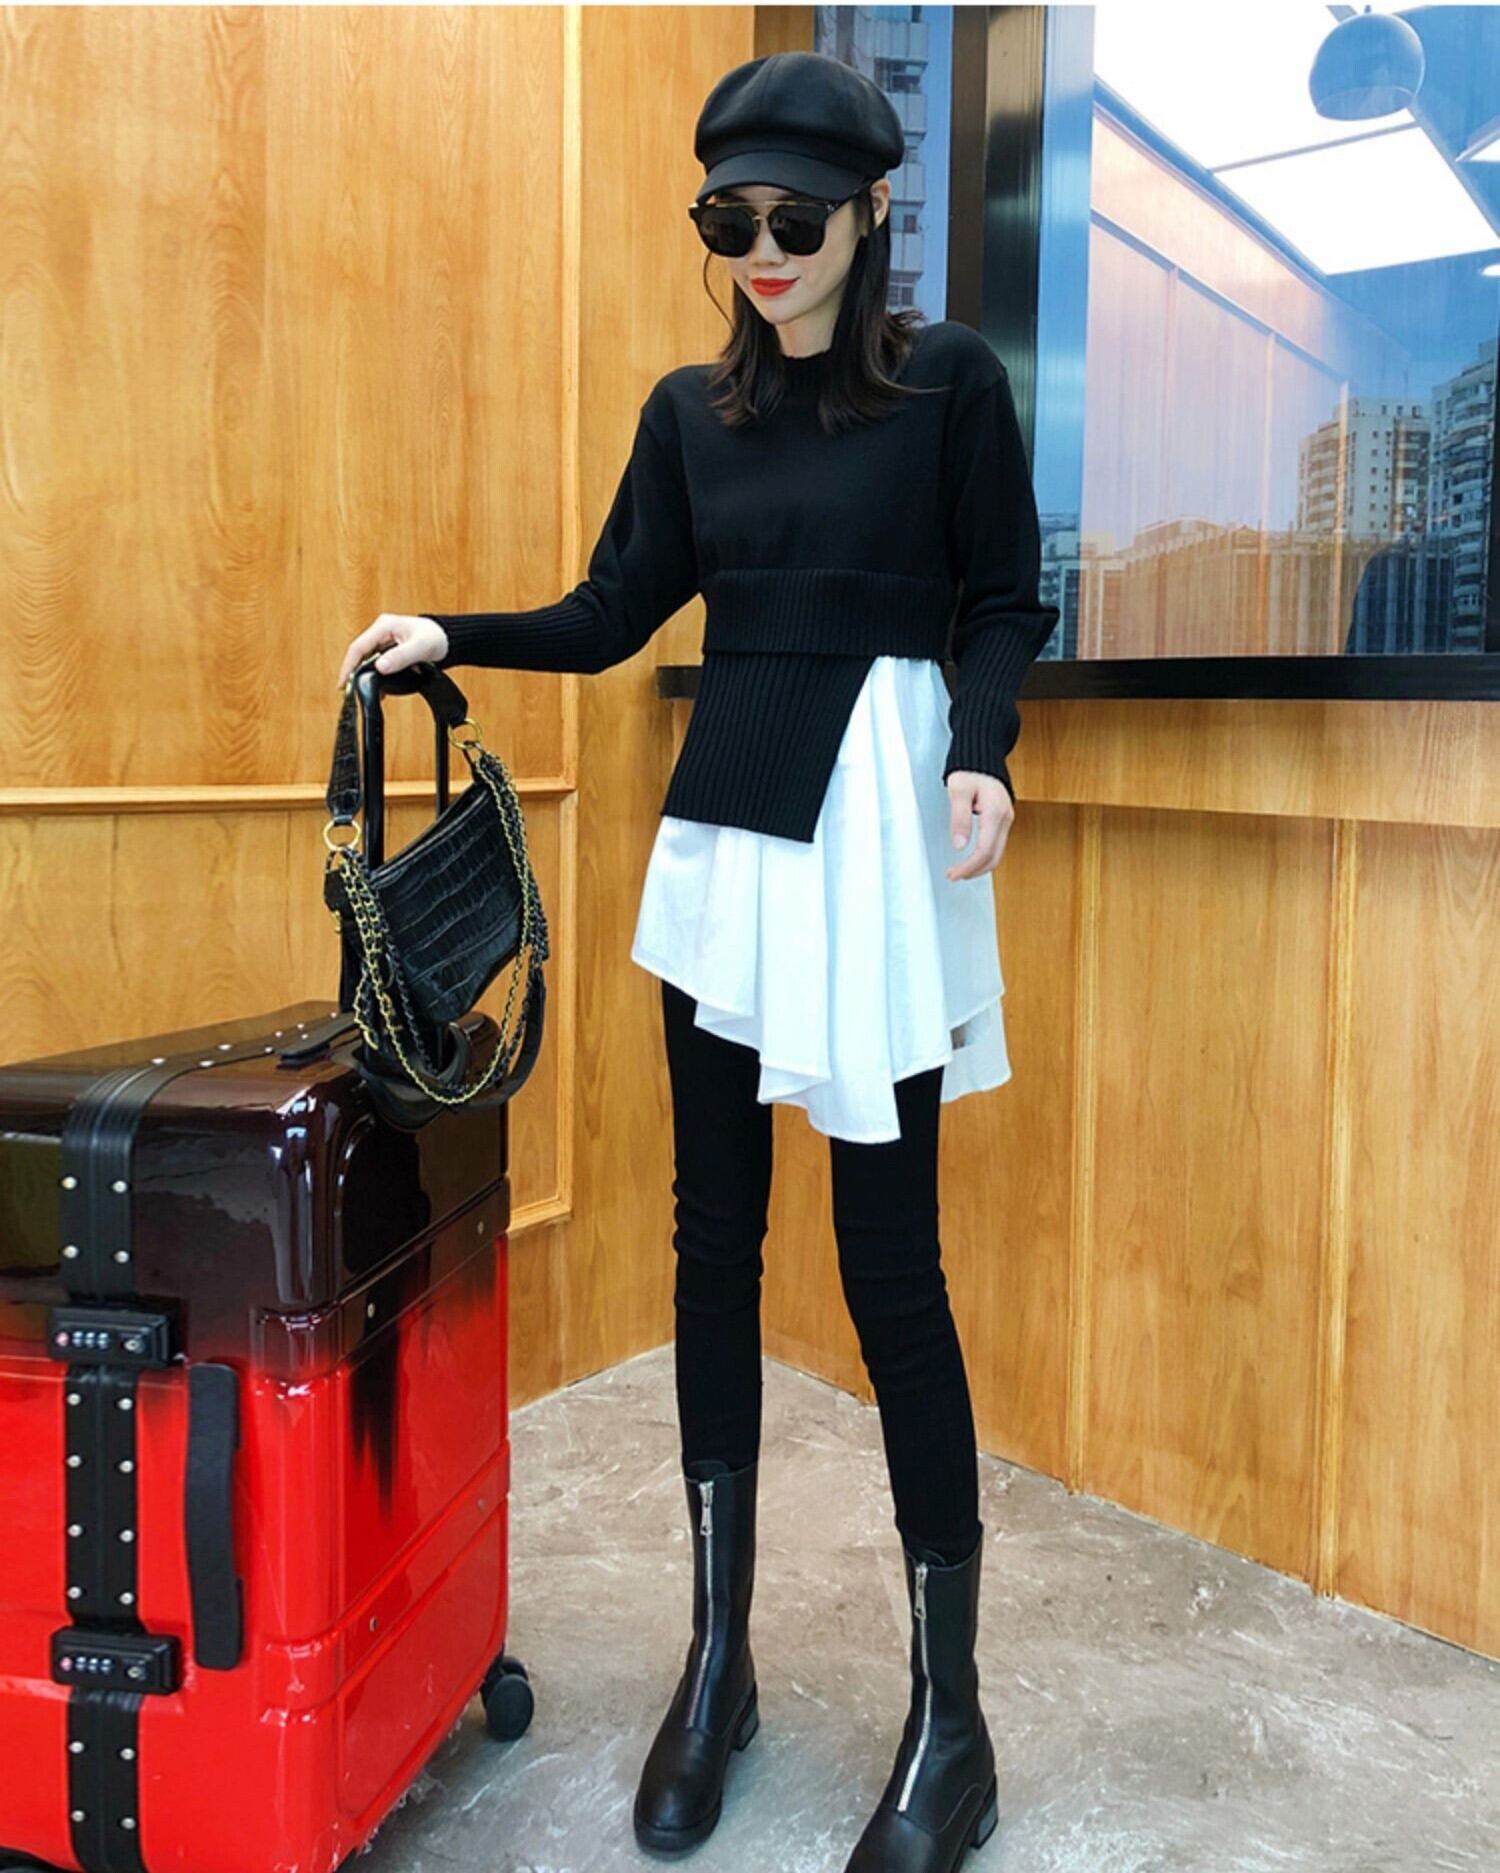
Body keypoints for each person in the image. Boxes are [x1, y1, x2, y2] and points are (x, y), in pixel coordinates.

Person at [335, 48, 1058, 1873]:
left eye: (794, 218)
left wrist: (983, 747)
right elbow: (610, 612)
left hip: (876, 852)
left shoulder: (954, 385)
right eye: (728, 222)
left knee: (893, 1271)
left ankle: (952, 1718)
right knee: (710, 1246)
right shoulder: (690, 412)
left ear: (871, 214)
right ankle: (716, 1656)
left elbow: (1002, 596)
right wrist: (450, 635)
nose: (762, 252)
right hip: (732, 841)